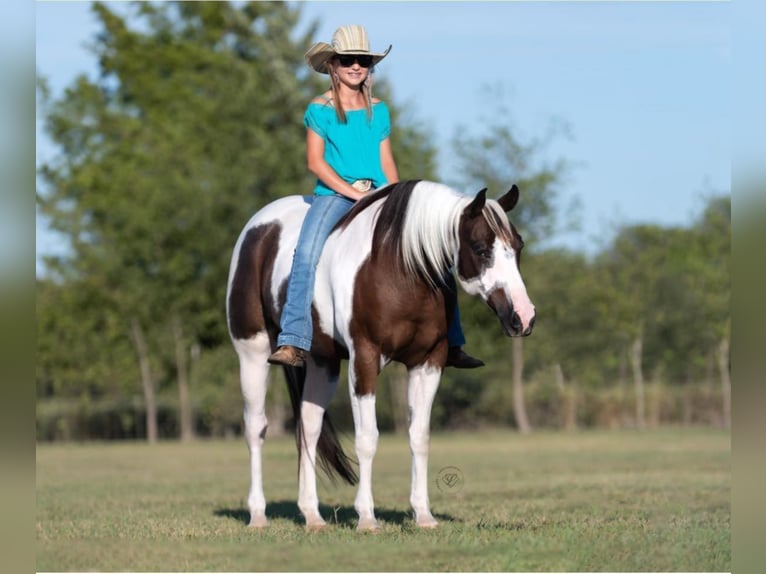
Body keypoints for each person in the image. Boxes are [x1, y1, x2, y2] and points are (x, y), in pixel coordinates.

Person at [268, 24, 483, 370]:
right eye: (349, 59)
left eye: (364, 61)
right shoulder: (319, 108)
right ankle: (293, 339)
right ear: (333, 65)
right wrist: (353, 192)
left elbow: (386, 161)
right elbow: (315, 163)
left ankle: (452, 342)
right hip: (335, 195)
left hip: (381, 193)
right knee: (306, 252)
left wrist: (398, 199)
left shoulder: (378, 109)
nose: (356, 66)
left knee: (434, 256)